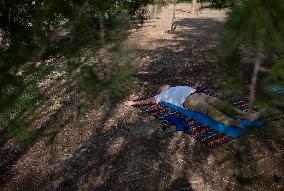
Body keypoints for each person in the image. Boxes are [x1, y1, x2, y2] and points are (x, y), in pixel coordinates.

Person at [124, 85, 260, 128]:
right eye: (163, 86)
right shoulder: (162, 96)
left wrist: (195, 85)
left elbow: (192, 88)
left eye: (166, 85)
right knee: (211, 111)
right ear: (162, 90)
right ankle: (234, 123)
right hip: (190, 102)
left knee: (222, 105)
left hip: (199, 94)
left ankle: (247, 115)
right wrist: (134, 103)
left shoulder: (177, 87)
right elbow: (148, 100)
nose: (166, 85)